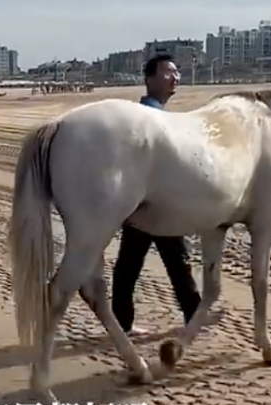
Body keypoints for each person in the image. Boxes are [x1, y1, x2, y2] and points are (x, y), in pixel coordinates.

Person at [112, 54, 202, 336]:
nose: (175, 77)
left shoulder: (155, 114)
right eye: (167, 72)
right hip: (154, 202)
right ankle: (195, 316)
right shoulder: (148, 116)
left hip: (146, 202)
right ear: (149, 79)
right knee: (175, 261)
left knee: (134, 264)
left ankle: (123, 323)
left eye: (176, 72)